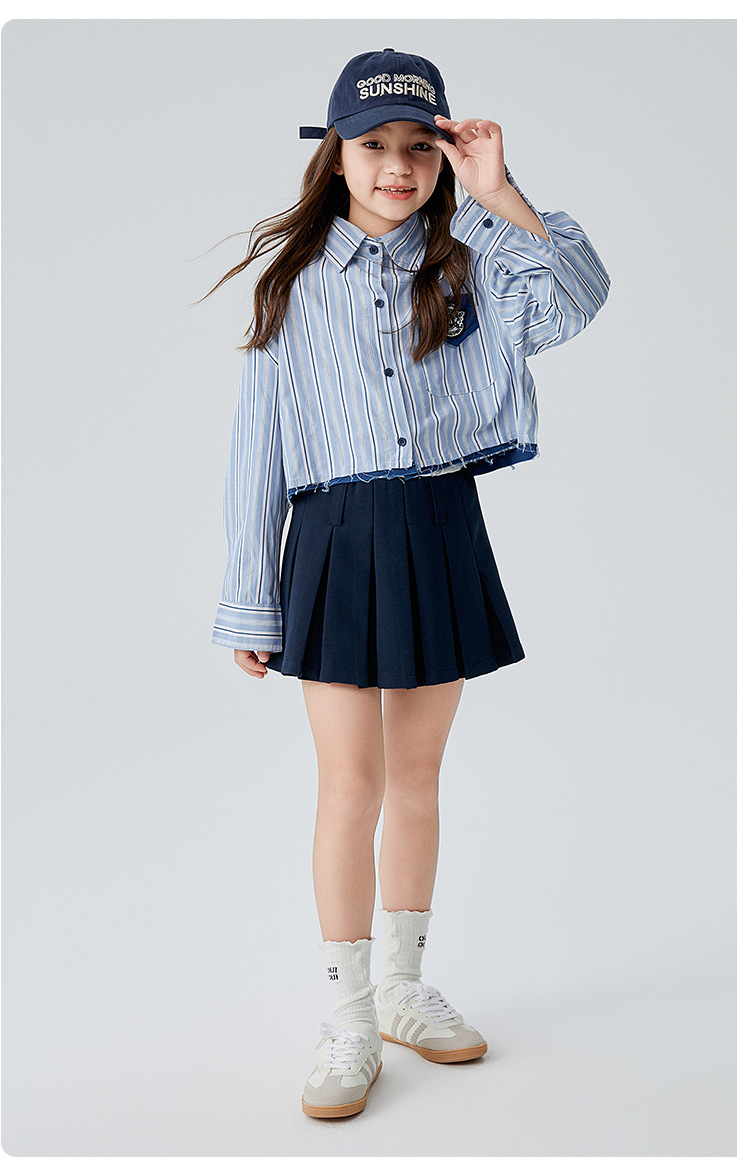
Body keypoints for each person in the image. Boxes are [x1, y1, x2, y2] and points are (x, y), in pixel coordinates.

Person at [205, 48, 610, 1119]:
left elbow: (577, 301)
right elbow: (257, 451)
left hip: (438, 522)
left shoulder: (473, 256)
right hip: (336, 537)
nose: (397, 166)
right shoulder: (291, 286)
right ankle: (347, 1017)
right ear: (335, 155)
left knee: (419, 778)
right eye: (374, 145)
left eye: (418, 147)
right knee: (350, 783)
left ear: (443, 154)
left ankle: (401, 988)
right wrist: (249, 595)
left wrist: (498, 190)